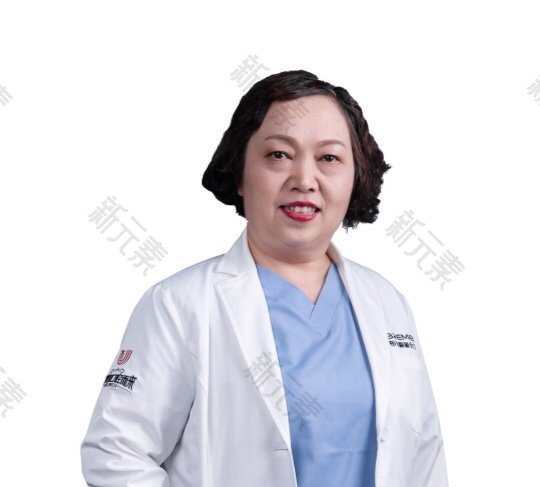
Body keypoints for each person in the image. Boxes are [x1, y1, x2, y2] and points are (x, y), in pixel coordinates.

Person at [80, 70, 449, 487]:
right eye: (278, 155)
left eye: (329, 158)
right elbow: (116, 452)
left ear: (356, 177)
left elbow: (425, 456)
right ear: (239, 173)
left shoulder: (387, 302)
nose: (304, 180)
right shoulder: (179, 304)